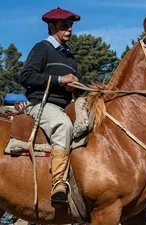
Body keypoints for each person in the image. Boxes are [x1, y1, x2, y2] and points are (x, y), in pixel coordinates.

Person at [18, 7, 81, 205]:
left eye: (70, 26)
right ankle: (59, 183)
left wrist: (76, 87)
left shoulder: (71, 58)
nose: (69, 30)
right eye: (64, 26)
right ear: (51, 26)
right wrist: (60, 80)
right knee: (63, 125)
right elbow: (25, 76)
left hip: (65, 106)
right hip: (41, 105)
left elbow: (74, 86)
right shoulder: (42, 48)